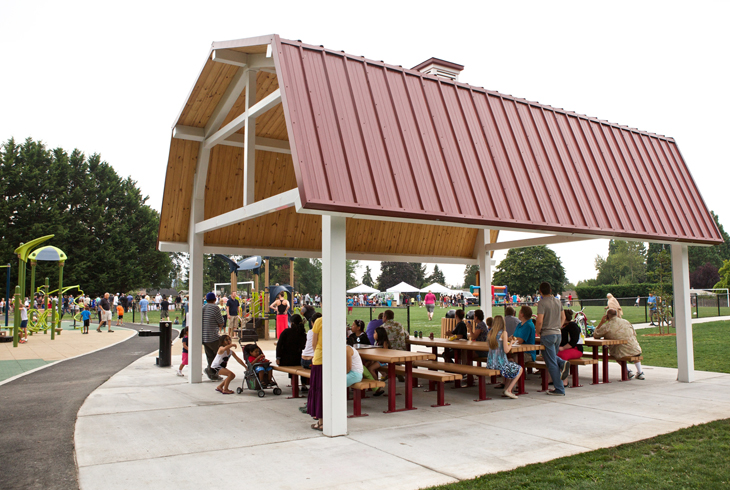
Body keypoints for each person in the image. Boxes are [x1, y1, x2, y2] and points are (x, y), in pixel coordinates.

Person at [535, 282, 570, 396]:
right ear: (550, 290)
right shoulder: (557, 301)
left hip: (547, 334)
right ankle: (562, 362)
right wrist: (558, 327)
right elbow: (563, 317)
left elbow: (539, 320)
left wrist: (538, 332)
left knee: (551, 363)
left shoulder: (542, 303)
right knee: (553, 359)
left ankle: (559, 389)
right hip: (557, 334)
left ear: (540, 291)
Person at [594, 308, 645, 379]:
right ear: (617, 314)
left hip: (620, 352)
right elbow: (634, 333)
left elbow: (596, 335)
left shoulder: (607, 326)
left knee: (616, 353)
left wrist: (601, 322)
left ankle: (628, 371)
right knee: (631, 349)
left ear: (607, 316)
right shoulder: (626, 322)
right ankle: (640, 372)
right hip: (635, 348)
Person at [486, 315, 523, 399]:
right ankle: (509, 390)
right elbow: (506, 350)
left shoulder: (490, 333)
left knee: (511, 362)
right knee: (520, 369)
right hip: (500, 364)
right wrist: (512, 343)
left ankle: (506, 388)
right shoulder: (504, 333)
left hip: (491, 363)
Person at [276, 314, 308, 390]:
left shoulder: (286, 332)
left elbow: (279, 345)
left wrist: (278, 357)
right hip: (299, 360)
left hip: (286, 361)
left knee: (290, 357)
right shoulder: (303, 334)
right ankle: (303, 384)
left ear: (292, 323)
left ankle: (292, 382)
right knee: (302, 363)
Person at [307, 317, 324, 431]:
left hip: (320, 359)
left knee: (318, 389)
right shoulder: (339, 318)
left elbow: (314, 343)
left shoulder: (319, 321)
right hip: (334, 360)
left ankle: (321, 420)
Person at [203, 292, 225, 381]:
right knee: (219, 354)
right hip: (213, 336)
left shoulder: (203, 308)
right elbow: (221, 322)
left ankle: (212, 373)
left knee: (210, 356)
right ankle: (211, 370)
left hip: (204, 337)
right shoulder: (215, 308)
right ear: (215, 299)